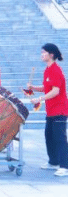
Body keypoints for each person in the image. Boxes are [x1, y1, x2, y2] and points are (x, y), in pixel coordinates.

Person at [27, 43, 68, 177]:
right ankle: (53, 162)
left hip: (60, 110)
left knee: (60, 138)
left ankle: (64, 166)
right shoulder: (48, 70)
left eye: (44, 52)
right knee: (49, 136)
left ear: (51, 54)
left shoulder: (56, 70)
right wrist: (33, 87)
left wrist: (40, 99)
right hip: (51, 110)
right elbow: (47, 87)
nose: (42, 54)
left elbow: (55, 91)